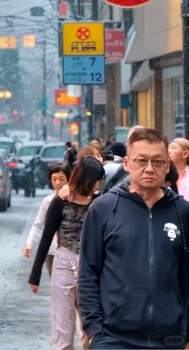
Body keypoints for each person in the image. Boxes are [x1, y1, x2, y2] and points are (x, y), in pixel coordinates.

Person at [78, 126, 189, 349]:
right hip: (113, 338)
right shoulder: (104, 208)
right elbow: (88, 274)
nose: (149, 168)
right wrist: (94, 332)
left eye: (157, 162)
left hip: (170, 339)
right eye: (141, 161)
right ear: (127, 163)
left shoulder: (182, 212)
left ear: (167, 166)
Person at [29, 156, 105, 350]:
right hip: (64, 262)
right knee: (63, 328)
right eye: (96, 179)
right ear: (87, 178)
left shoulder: (100, 202)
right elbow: (46, 237)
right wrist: (35, 274)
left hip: (91, 267)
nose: (98, 183)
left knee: (91, 327)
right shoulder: (60, 201)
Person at [23, 162, 71, 278]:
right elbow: (38, 225)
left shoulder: (75, 200)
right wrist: (29, 243)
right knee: (56, 286)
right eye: (54, 179)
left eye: (61, 179)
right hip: (52, 251)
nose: (58, 183)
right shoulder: (47, 201)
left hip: (71, 252)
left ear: (69, 179)